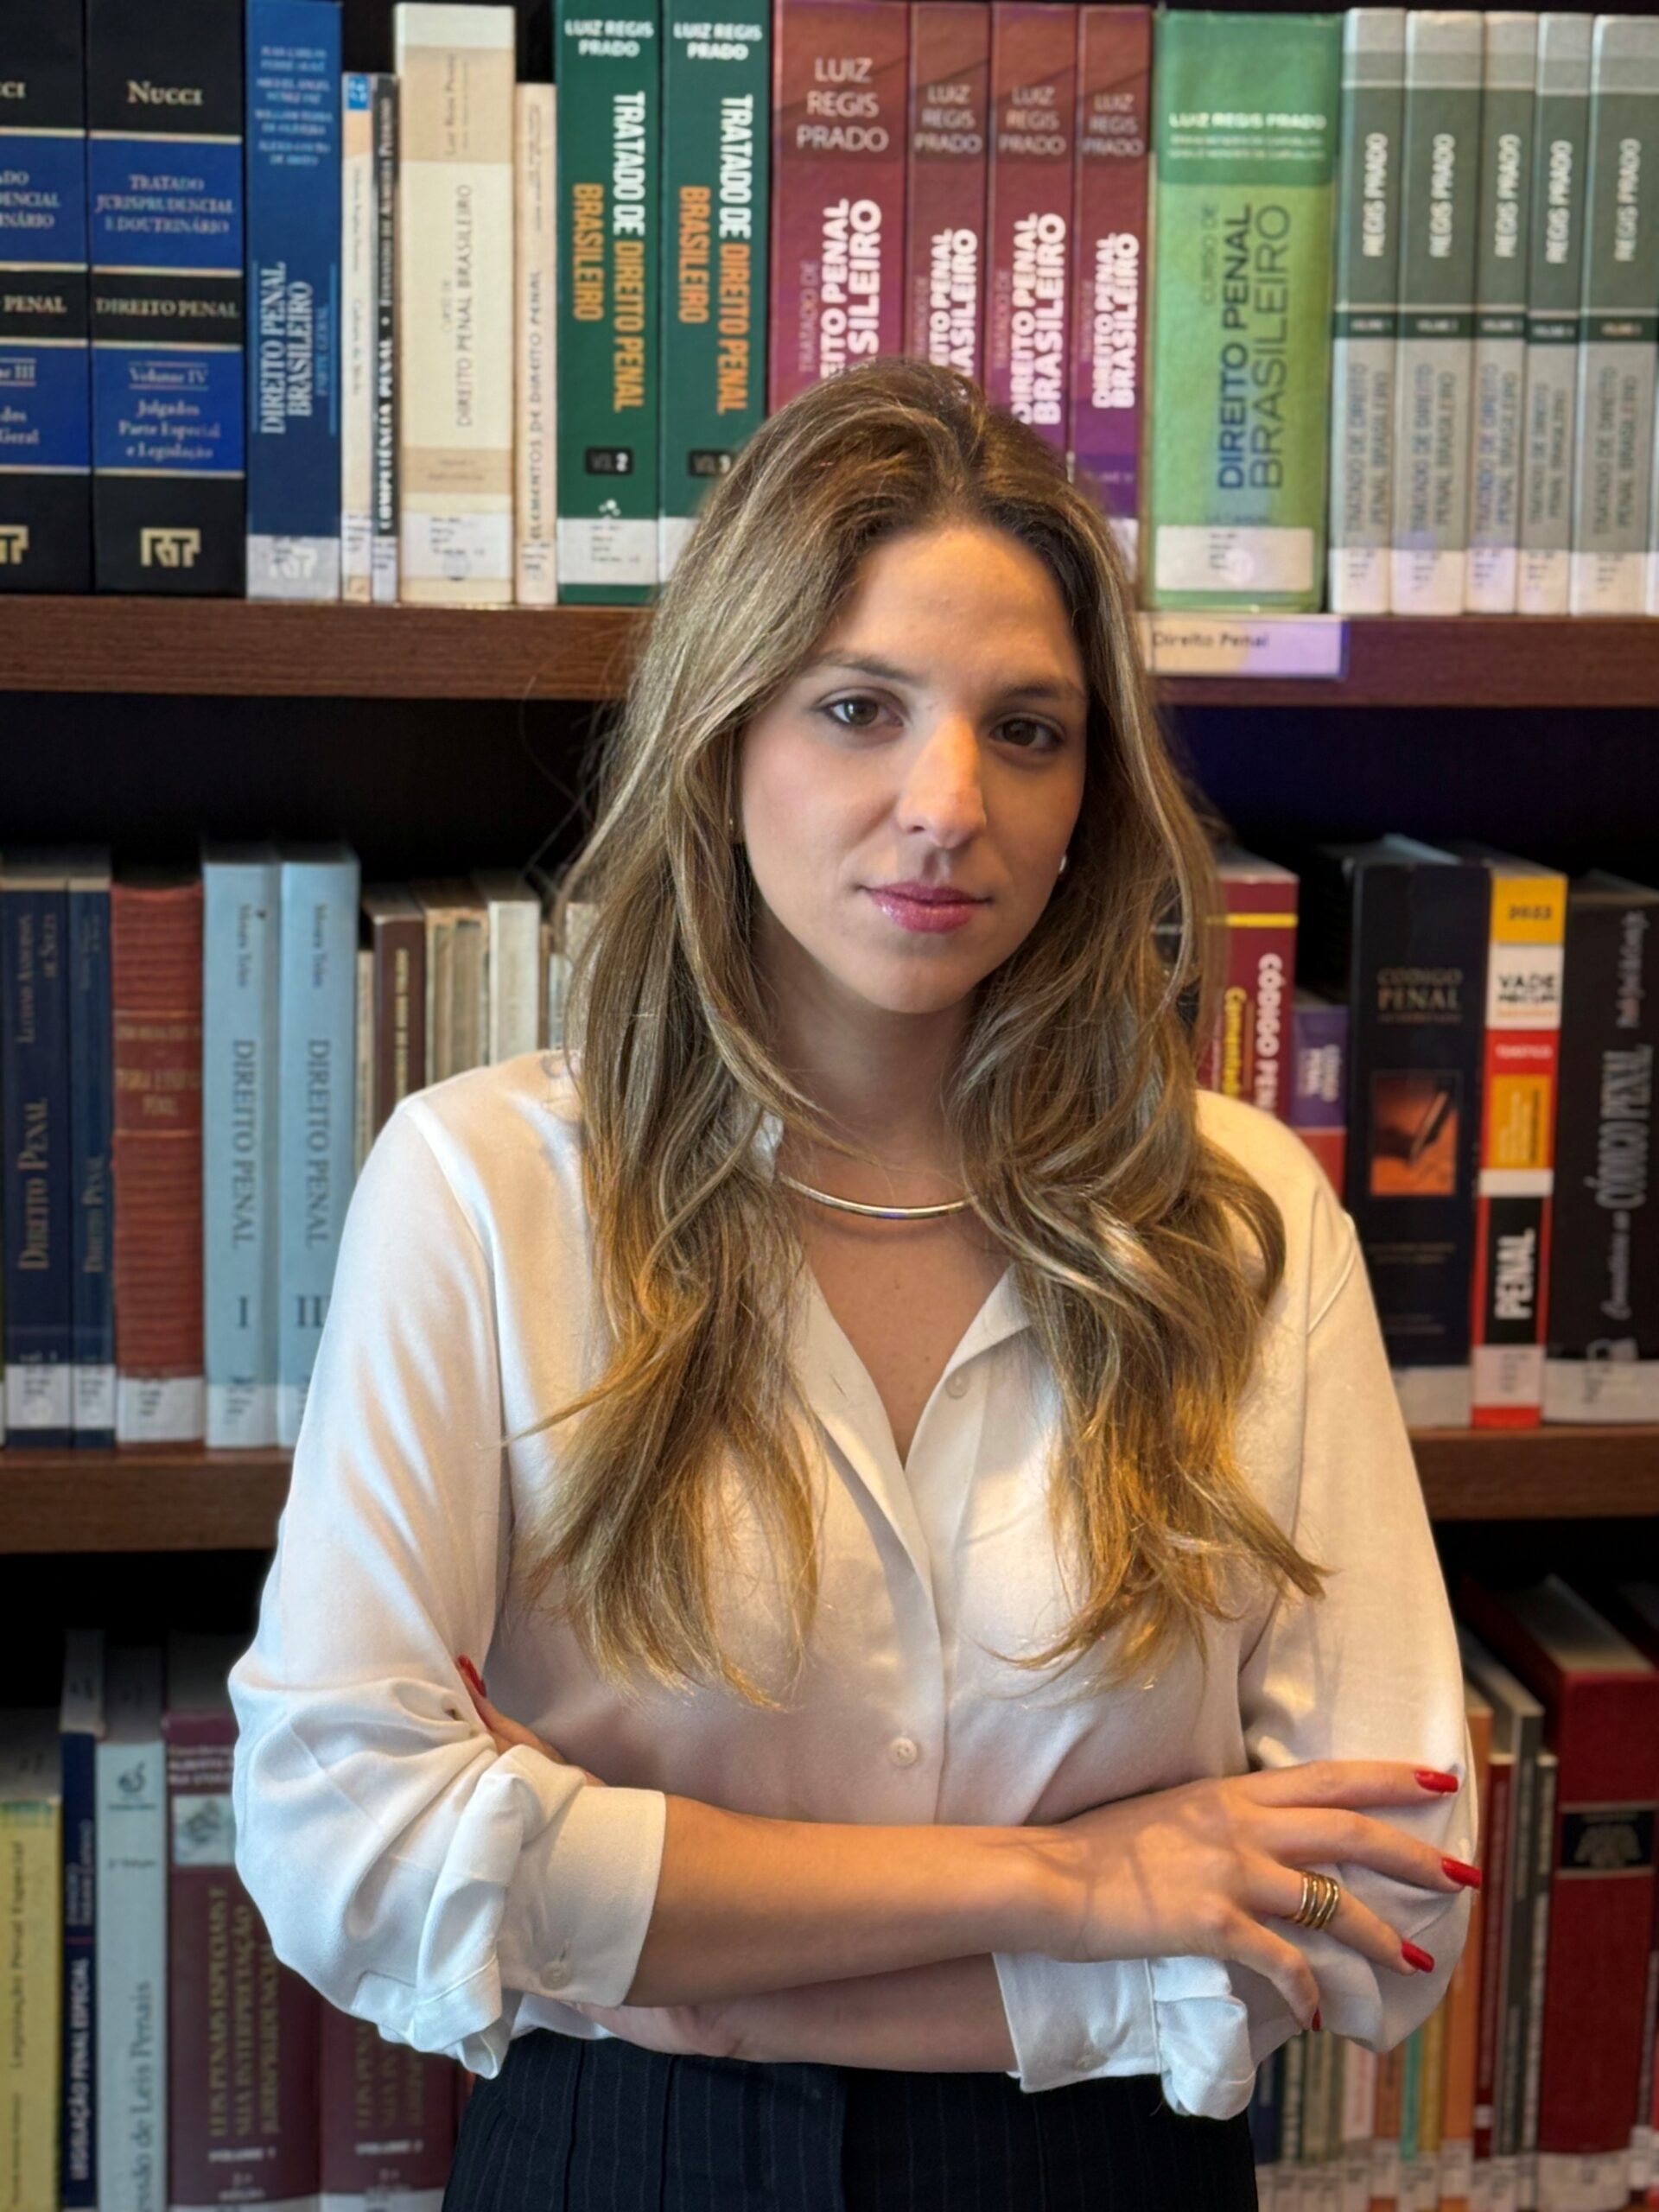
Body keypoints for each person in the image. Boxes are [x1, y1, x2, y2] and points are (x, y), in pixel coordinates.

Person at [226, 357, 1478, 2210]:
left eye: (1028, 730)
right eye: (858, 706)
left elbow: (1382, 1903)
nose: (947, 802)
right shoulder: (484, 1190)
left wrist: (682, 1964)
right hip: (628, 2169)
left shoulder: (1244, 1219)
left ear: (1094, 794)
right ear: (725, 730)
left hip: (1090, 2172)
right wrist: (1077, 1880)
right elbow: (346, 1840)